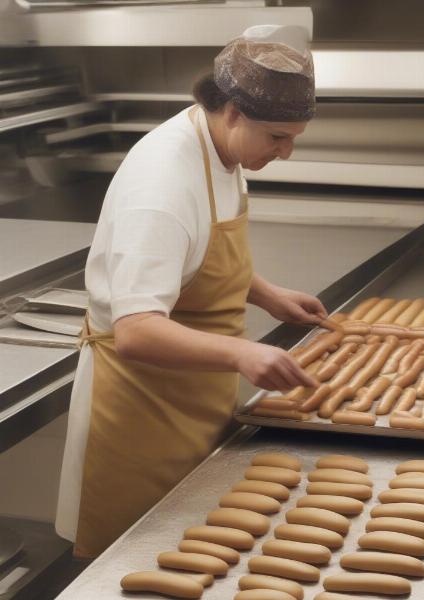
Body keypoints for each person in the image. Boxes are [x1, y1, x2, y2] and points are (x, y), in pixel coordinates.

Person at [55, 24, 325, 558]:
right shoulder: (162, 181)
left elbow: (195, 256)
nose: (286, 153)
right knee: (142, 562)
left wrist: (265, 293)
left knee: (201, 551)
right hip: (143, 413)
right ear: (233, 113)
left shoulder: (223, 150)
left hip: (196, 394)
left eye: (293, 138)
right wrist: (244, 353)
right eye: (277, 138)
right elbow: (136, 331)